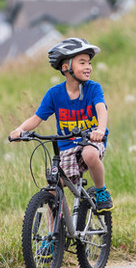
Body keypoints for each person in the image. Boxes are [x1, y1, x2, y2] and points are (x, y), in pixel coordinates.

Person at [9, 37, 114, 212]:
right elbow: (37, 118)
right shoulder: (54, 94)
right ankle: (54, 235)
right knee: (53, 189)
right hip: (66, 146)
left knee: (89, 154)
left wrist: (100, 130)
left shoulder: (93, 88)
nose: (88, 67)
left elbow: (101, 109)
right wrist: (20, 130)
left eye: (89, 63)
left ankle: (101, 190)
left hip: (90, 140)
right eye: (82, 63)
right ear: (66, 68)